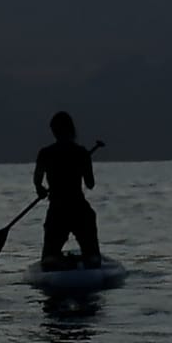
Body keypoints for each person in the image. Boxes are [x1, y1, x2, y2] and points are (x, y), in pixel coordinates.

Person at [34, 112, 100, 269]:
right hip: (79, 209)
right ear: (71, 130)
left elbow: (37, 180)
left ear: (54, 132)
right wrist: (83, 164)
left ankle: (53, 258)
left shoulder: (45, 153)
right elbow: (90, 184)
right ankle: (90, 258)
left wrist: (40, 189)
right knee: (92, 256)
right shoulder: (81, 153)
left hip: (57, 210)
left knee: (49, 257)